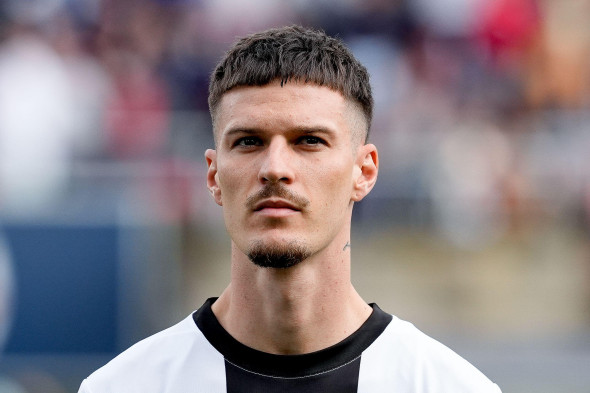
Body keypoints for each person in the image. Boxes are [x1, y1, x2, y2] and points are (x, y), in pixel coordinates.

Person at [79, 25, 501, 392]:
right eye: (248, 141)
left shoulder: (448, 387)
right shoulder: (123, 387)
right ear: (213, 176)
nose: (275, 168)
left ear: (364, 171)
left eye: (309, 141)